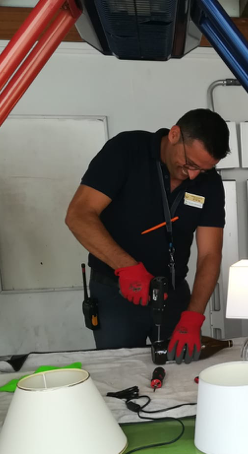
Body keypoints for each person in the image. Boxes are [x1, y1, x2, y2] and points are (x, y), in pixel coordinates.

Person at [66, 109, 230, 363]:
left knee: (181, 371)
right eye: (190, 163)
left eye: (203, 169)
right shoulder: (126, 150)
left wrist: (193, 316)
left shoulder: (209, 183)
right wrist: (127, 268)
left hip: (172, 295)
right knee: (120, 371)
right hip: (116, 293)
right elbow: (79, 214)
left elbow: (210, 254)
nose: (193, 175)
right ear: (174, 135)